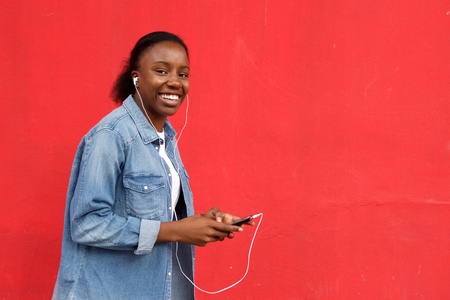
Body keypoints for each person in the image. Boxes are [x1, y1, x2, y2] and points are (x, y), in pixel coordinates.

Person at [52, 31, 251, 300]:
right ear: (136, 77)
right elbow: (87, 224)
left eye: (183, 74)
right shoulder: (111, 136)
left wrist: (201, 222)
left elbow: (157, 216)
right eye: (161, 71)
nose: (175, 82)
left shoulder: (166, 139)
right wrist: (176, 230)